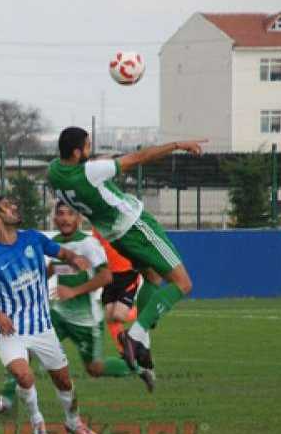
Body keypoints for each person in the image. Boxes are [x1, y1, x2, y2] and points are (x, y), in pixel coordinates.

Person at [47, 126, 204, 390]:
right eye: (87, 146)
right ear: (76, 152)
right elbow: (138, 158)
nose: (90, 149)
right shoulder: (89, 171)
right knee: (183, 284)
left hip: (116, 236)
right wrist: (177, 143)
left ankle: (143, 347)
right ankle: (135, 336)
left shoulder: (54, 173)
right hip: (136, 226)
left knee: (152, 277)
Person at [0, 196, 102, 434]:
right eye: (7, 206)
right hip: (9, 330)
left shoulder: (33, 238)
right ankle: (38, 424)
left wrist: (73, 259)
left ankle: (74, 422)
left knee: (63, 381)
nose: (15, 207)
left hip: (42, 328)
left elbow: (60, 251)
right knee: (23, 375)